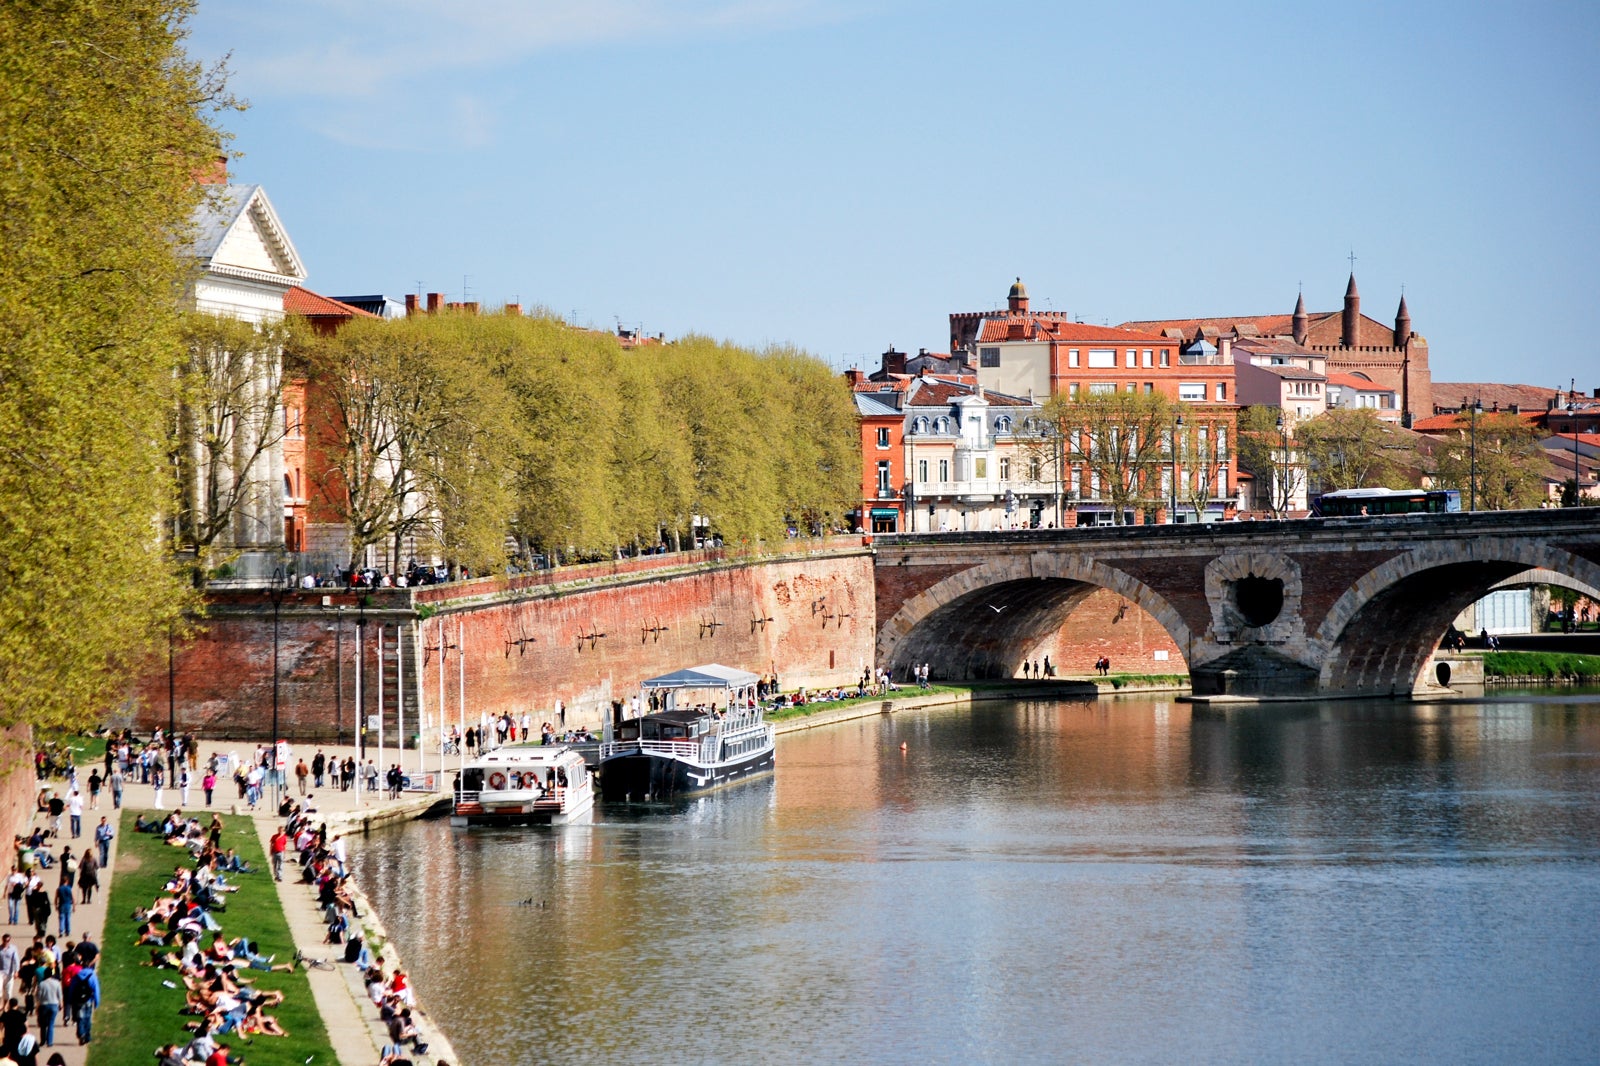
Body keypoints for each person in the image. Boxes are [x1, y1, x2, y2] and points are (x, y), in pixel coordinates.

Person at [69, 962, 97, 1044]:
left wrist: (70, 1000)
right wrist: (96, 1002)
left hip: (78, 1001)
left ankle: (81, 1034)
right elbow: (96, 990)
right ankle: (87, 1037)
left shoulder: (76, 976)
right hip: (88, 1001)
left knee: (80, 1019)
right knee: (87, 1019)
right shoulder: (92, 976)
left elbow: (71, 989)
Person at [34, 967, 60, 1047]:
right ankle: (50, 1042)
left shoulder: (42, 984)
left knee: (43, 1025)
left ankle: (43, 1041)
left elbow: (38, 996)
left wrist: (37, 1006)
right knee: (51, 1024)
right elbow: (59, 995)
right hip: (54, 1004)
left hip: (44, 1005)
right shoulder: (57, 983)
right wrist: (61, 1004)